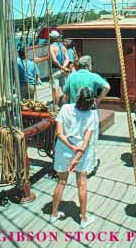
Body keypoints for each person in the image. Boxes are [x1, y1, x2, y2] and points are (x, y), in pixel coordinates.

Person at [50, 87, 98, 228]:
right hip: (80, 154)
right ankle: (83, 219)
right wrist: (76, 156)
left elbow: (59, 133)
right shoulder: (92, 116)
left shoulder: (65, 108)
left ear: (78, 98)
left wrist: (71, 148)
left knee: (61, 182)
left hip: (63, 150)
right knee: (81, 184)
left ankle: (53, 214)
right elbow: (86, 141)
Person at [63, 55, 110, 177]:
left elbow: (65, 93)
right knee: (91, 140)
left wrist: (64, 107)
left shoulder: (72, 76)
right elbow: (107, 87)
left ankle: (73, 162)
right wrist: (98, 99)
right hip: (90, 111)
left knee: (74, 137)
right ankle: (90, 167)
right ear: (89, 65)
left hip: (74, 111)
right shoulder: (93, 76)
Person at [49, 30, 69, 111]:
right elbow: (67, 59)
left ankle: (56, 107)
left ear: (52, 38)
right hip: (63, 71)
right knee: (64, 88)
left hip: (55, 70)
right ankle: (65, 105)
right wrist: (64, 67)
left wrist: (61, 67)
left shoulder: (51, 47)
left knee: (55, 89)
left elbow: (54, 60)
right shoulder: (63, 47)